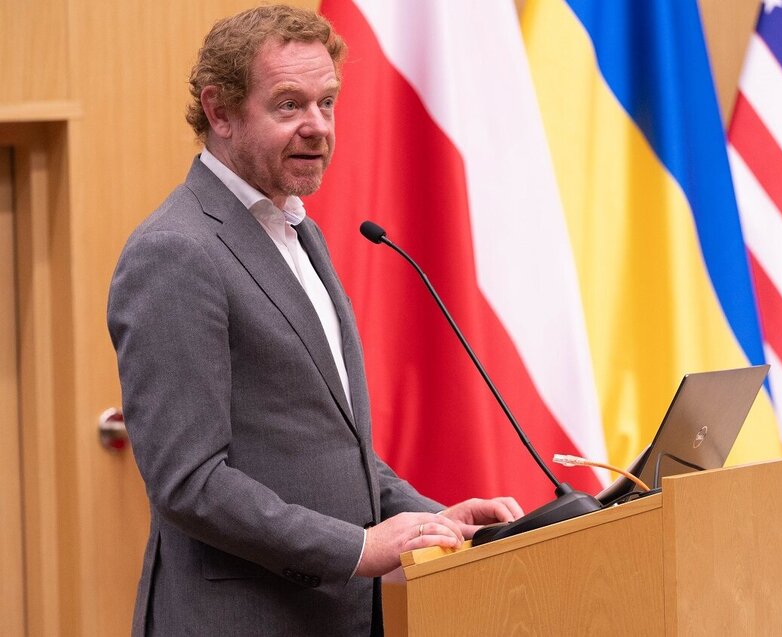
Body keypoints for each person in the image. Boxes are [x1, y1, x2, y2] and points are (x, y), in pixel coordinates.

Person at [107, 6, 522, 635]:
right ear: (219, 112)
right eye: (288, 105)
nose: (318, 128)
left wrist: (437, 520)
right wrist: (358, 551)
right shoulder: (176, 251)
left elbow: (329, 446)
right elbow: (189, 482)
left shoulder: (300, 233)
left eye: (327, 103)